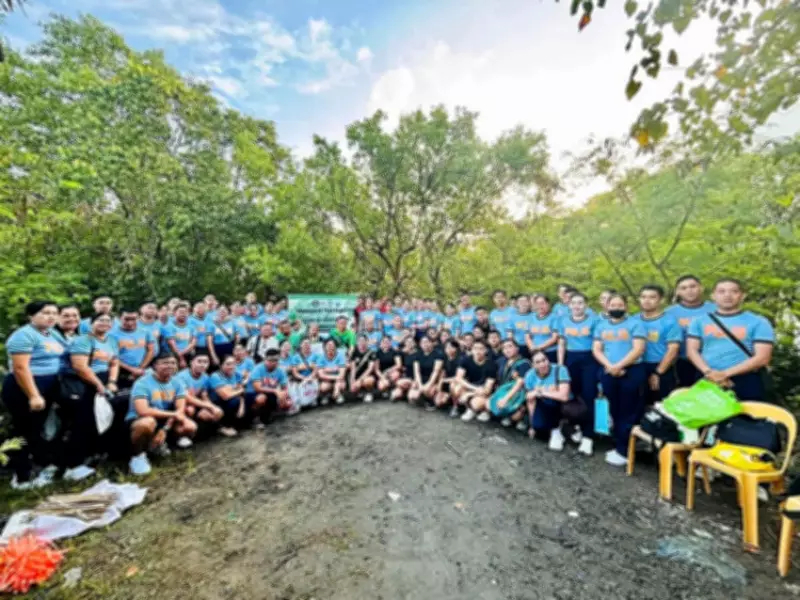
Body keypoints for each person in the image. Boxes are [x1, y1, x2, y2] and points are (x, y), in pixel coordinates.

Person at [2, 301, 66, 489]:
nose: (51, 316)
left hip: (49, 384)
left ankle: (42, 465)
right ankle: (22, 476)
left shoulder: (52, 333)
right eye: (45, 313)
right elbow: (21, 368)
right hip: (26, 386)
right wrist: (34, 395)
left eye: (54, 313)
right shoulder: (23, 336)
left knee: (39, 428)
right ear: (31, 316)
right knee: (23, 430)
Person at [686, 278, 775, 400]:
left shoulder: (759, 322)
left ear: (742, 296)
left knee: (748, 417)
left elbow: (762, 358)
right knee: (707, 417)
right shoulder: (698, 321)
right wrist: (708, 372)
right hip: (707, 377)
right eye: (721, 291)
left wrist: (725, 374)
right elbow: (691, 351)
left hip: (746, 379)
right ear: (713, 296)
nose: (727, 295)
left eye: (734, 291)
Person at [592, 294, 647, 468]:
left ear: (626, 306)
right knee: (614, 410)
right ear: (607, 307)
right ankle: (618, 445)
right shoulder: (601, 325)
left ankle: (625, 451)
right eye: (613, 304)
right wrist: (610, 366)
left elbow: (638, 348)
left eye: (620, 304)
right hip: (608, 370)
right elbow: (597, 349)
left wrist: (620, 365)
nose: (616, 307)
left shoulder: (635, 324)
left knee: (628, 411)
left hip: (631, 371)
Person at [127, 352, 197, 475]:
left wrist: (164, 429)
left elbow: (180, 409)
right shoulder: (142, 383)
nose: (170, 366)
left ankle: (161, 444)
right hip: (139, 419)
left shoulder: (177, 382)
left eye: (173, 363)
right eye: (165, 363)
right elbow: (143, 411)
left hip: (164, 418)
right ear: (155, 366)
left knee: (190, 427)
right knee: (147, 423)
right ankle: (137, 456)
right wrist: (173, 415)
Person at [556, 292, 599, 456]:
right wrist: (560, 365)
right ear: (569, 305)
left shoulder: (594, 320)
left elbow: (598, 343)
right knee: (570, 396)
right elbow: (561, 343)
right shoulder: (563, 321)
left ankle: (589, 436)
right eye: (574, 303)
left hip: (589, 359)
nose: (577, 306)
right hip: (570, 358)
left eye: (580, 303)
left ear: (586, 305)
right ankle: (574, 427)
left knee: (588, 396)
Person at [635, 285, 682, 403]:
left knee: (662, 404)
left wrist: (658, 373)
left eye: (652, 297)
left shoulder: (669, 321)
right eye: (643, 297)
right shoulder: (633, 320)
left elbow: (673, 349)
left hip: (661, 367)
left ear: (660, 300)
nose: (647, 300)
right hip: (637, 366)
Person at [667, 275, 716, 387]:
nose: (689, 291)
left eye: (693, 286)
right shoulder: (670, 313)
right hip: (682, 362)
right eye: (683, 288)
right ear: (677, 292)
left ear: (701, 288)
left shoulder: (716, 309)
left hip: (713, 361)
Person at [470, 338, 530, 427]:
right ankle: (494, 413)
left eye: (510, 346)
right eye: (504, 348)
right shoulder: (501, 361)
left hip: (514, 397)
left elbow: (520, 383)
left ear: (517, 348)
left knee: (515, 417)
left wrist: (505, 399)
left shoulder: (524, 363)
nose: (507, 350)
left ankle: (516, 416)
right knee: (476, 403)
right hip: (499, 393)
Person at [525, 350, 573, 451]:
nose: (542, 364)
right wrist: (531, 424)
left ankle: (558, 430)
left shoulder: (560, 369)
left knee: (554, 402)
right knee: (538, 427)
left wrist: (541, 392)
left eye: (544, 360)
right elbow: (530, 399)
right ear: (533, 365)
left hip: (563, 405)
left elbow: (564, 396)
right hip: (543, 404)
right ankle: (554, 428)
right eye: (538, 362)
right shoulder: (530, 375)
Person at [174, 354, 223, 438]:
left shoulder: (205, 376)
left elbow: (204, 395)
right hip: (179, 404)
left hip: (195, 402)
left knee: (210, 413)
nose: (202, 364)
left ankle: (199, 434)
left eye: (205, 362)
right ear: (191, 362)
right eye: (199, 361)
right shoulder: (181, 376)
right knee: (190, 410)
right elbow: (187, 398)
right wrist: (210, 407)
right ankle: (181, 435)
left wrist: (212, 407)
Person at [113, 307, 155, 390]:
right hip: (121, 372)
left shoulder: (145, 332)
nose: (130, 323)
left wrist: (140, 368)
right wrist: (132, 370)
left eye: (133, 319)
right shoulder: (111, 334)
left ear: (139, 318)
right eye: (126, 319)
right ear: (119, 318)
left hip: (143, 370)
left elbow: (150, 350)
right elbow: (111, 356)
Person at [456, 340, 497, 422]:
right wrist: (474, 389)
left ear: (486, 350)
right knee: (456, 388)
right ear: (471, 350)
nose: (478, 351)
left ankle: (485, 411)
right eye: (475, 348)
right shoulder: (466, 360)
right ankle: (470, 410)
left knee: (476, 404)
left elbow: (487, 390)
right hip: (474, 387)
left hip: (485, 391)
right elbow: (458, 378)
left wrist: (469, 394)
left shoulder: (491, 365)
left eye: (481, 349)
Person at [208, 355, 249, 437]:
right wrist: (240, 390)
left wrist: (242, 407)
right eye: (228, 364)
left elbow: (241, 393)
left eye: (233, 364)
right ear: (221, 365)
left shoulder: (237, 374)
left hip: (230, 400)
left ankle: (236, 423)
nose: (231, 366)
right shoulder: (215, 376)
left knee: (247, 397)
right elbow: (225, 396)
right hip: (216, 403)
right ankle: (223, 426)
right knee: (233, 400)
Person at [250, 348, 292, 419]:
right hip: (254, 393)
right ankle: (254, 417)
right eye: (270, 360)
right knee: (261, 398)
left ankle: (271, 412)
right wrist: (275, 391)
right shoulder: (257, 369)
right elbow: (258, 388)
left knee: (287, 402)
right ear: (265, 360)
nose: (273, 362)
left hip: (270, 393)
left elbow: (284, 386)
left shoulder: (280, 370)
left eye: (276, 360)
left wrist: (285, 396)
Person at [407, 336, 443, 408]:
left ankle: (430, 400)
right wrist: (420, 385)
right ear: (420, 344)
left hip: (433, 380)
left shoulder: (438, 354)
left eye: (427, 342)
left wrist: (428, 385)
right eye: (423, 342)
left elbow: (435, 372)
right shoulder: (417, 354)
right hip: (421, 379)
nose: (425, 344)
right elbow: (417, 372)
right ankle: (422, 397)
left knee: (428, 391)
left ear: (431, 343)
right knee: (411, 396)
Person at [527, 295, 559, 363]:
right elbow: (527, 336)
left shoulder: (555, 318)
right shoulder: (531, 317)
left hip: (550, 352)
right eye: (537, 304)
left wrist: (539, 348)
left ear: (548, 304)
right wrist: (532, 348)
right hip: (534, 352)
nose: (540, 306)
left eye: (542, 303)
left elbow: (554, 338)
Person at [435, 340, 463, 415]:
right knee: (438, 402)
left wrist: (444, 380)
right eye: (447, 347)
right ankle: (449, 399)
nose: (448, 349)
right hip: (446, 382)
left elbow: (458, 377)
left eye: (451, 347)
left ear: (456, 348)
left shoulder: (460, 359)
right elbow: (442, 373)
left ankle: (455, 406)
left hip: (457, 383)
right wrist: (440, 385)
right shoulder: (445, 358)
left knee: (452, 385)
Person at [316, 339, 348, 405]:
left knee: (342, 386)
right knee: (323, 387)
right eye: (328, 345)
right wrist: (335, 370)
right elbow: (321, 375)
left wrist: (327, 369)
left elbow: (342, 374)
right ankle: (326, 396)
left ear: (335, 347)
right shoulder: (320, 357)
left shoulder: (341, 355)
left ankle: (338, 394)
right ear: (324, 347)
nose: (331, 347)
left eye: (332, 345)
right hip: (327, 380)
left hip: (339, 380)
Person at [165, 302, 195, 369]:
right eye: (181, 312)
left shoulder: (191, 326)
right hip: (173, 356)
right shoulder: (169, 326)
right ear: (175, 313)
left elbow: (193, 342)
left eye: (185, 312)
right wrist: (181, 358)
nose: (183, 314)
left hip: (188, 354)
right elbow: (172, 344)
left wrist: (183, 353)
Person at [349, 335, 377, 402]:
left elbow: (370, 369)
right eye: (360, 341)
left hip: (367, 376)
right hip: (357, 375)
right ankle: (360, 392)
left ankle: (369, 393)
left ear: (367, 342)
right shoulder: (354, 352)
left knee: (368, 381)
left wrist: (359, 380)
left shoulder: (371, 352)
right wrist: (352, 381)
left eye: (363, 341)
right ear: (357, 342)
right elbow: (353, 368)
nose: (362, 342)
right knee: (352, 388)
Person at [391, 337, 419, 402]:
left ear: (414, 343)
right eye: (407, 342)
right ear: (405, 344)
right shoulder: (404, 354)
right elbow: (401, 366)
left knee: (412, 397)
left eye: (411, 342)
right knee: (395, 394)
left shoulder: (419, 353)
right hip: (407, 377)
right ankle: (404, 391)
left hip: (416, 378)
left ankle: (410, 391)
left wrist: (416, 381)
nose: (409, 343)